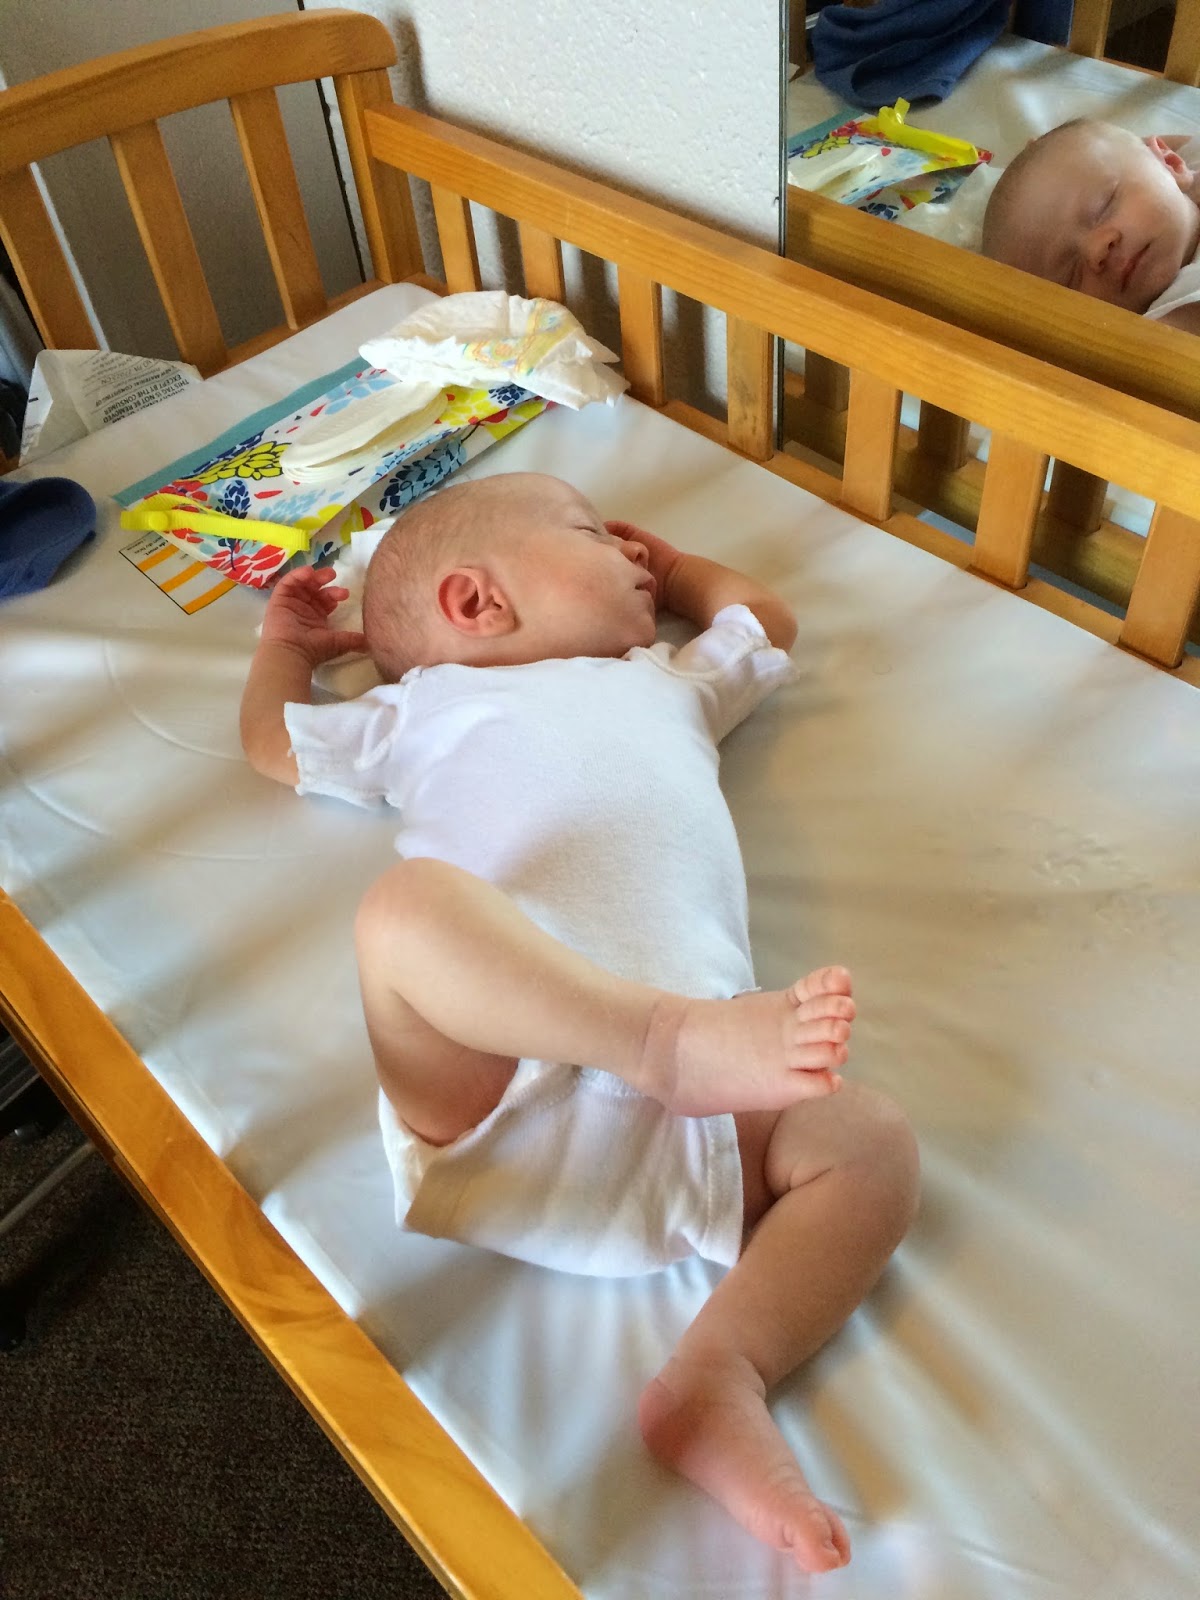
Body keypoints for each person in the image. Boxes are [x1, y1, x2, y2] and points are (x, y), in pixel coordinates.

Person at [239, 471, 920, 1573]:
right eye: (594, 535)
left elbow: (766, 624)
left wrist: (687, 572)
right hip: (499, 1077)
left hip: (702, 1130)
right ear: (477, 602)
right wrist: (286, 649)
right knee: (407, 913)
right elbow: (276, 743)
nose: (636, 555)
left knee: (873, 1143)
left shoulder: (665, 682)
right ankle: (661, 1038)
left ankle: (719, 1375)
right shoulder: (419, 711)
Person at [981, 117, 1200, 331]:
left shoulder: (1187, 162)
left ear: (1171, 163)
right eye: (1071, 278)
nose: (1096, 251)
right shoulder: (1175, 319)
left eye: (1103, 207)